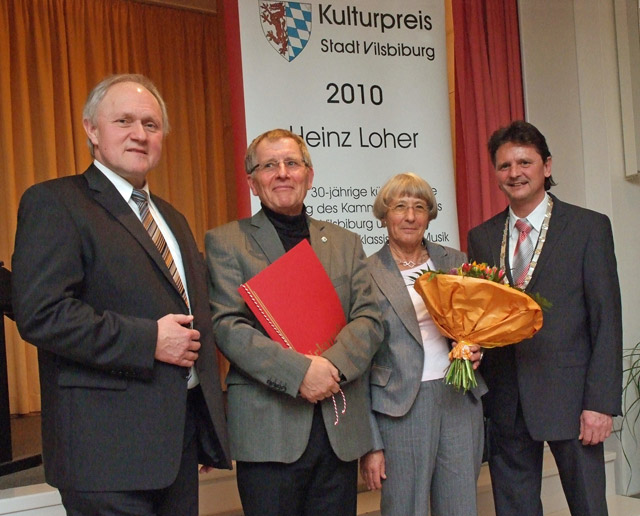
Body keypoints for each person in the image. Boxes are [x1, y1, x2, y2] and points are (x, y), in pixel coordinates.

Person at [11, 74, 231, 515]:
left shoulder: (172, 217)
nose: (139, 134)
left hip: (176, 445)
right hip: (104, 455)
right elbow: (41, 313)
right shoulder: (55, 202)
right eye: (124, 120)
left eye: (151, 124)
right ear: (91, 129)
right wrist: (148, 340)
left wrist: (203, 424)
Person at [204, 128, 383, 516]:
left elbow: (369, 318)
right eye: (269, 165)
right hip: (269, 430)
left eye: (292, 163)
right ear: (252, 182)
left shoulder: (345, 242)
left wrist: (330, 367)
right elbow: (227, 326)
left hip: (337, 430)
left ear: (309, 175)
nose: (282, 172)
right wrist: (300, 372)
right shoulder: (226, 242)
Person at [467, 120, 622, 516]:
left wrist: (600, 403)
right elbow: (482, 314)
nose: (514, 173)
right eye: (504, 166)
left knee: (588, 506)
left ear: (547, 166)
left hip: (573, 401)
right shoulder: (482, 236)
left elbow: (606, 319)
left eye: (525, 162)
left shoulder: (588, 227)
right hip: (506, 402)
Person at [360, 173, 486, 516]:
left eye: (419, 207)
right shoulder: (365, 272)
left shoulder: (456, 261)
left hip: (458, 397)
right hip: (399, 407)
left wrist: (477, 348)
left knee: (461, 507)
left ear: (430, 215)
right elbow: (358, 363)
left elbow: (476, 324)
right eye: (400, 207)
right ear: (384, 215)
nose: (410, 216)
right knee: (405, 508)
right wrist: (371, 443)